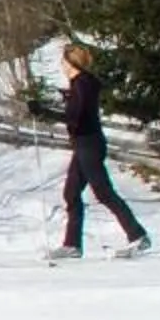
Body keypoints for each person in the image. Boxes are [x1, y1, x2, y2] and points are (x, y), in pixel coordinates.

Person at [53, 41, 150, 259]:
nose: (61, 65)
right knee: (71, 193)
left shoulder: (80, 83)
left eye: (63, 61)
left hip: (88, 144)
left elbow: (75, 117)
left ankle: (138, 235)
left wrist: (45, 112)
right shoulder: (81, 84)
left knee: (103, 192)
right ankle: (72, 245)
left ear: (71, 62)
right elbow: (80, 109)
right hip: (84, 144)